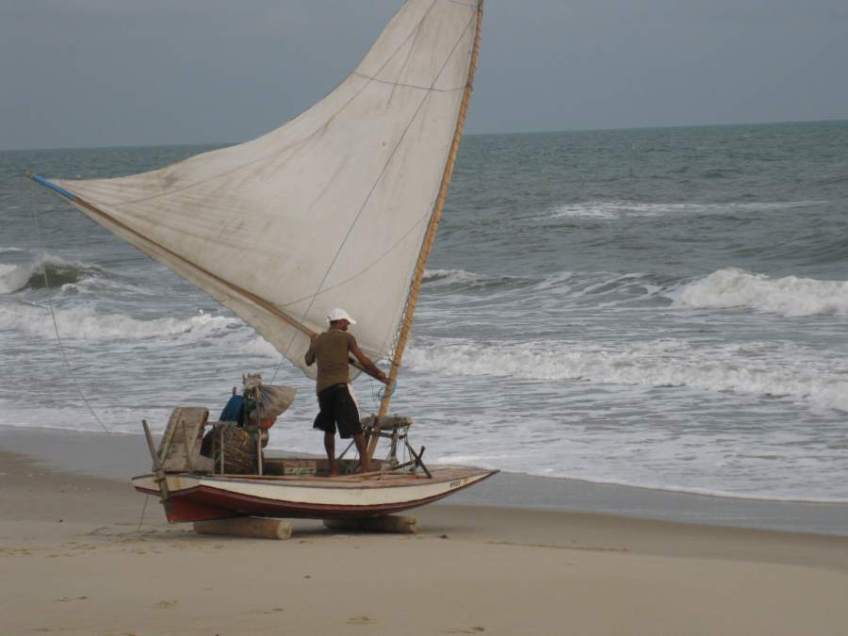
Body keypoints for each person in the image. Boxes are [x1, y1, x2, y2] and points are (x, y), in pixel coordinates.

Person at [305, 308, 388, 476]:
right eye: (347, 322)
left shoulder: (319, 340)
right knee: (356, 429)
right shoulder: (347, 338)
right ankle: (365, 467)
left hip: (323, 391)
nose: (348, 325)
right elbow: (363, 360)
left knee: (329, 429)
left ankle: (333, 470)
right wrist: (378, 373)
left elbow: (308, 361)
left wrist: (312, 341)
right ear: (340, 322)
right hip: (340, 388)